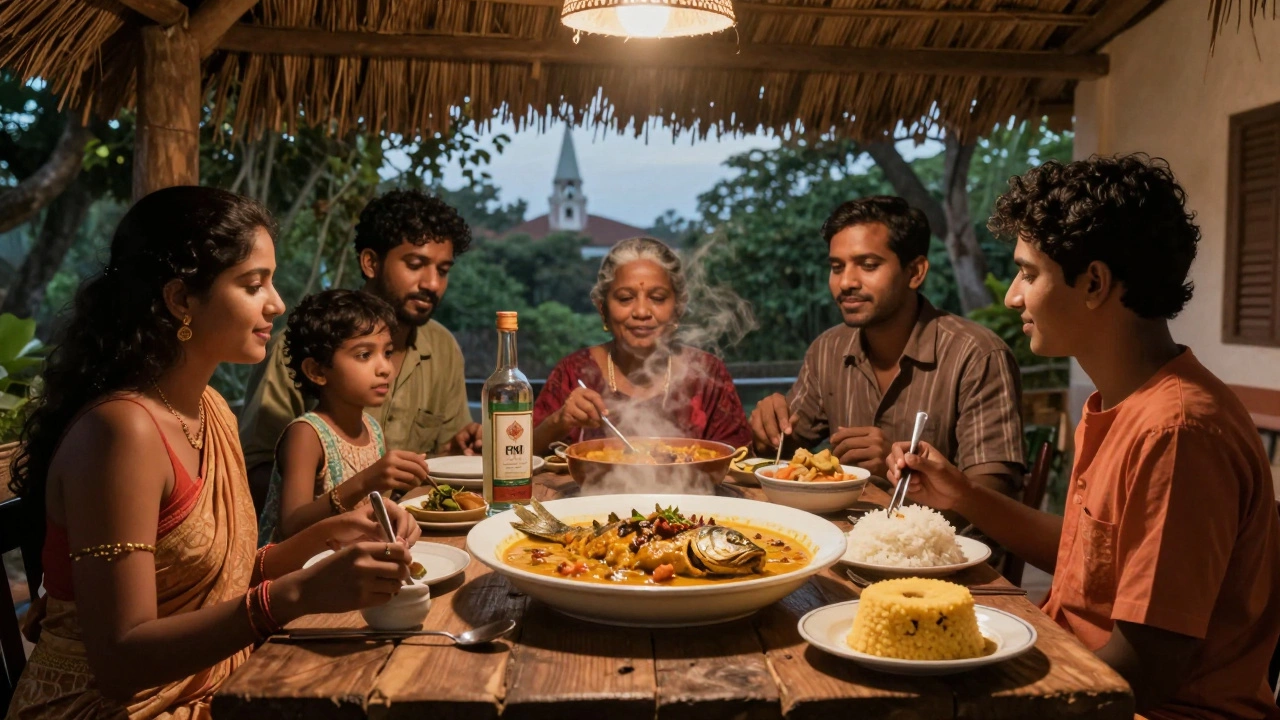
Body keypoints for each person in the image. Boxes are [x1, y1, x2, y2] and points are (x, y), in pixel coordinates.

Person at [5, 186, 422, 720]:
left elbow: (224, 577)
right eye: (254, 284)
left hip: (217, 686)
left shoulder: (211, 410)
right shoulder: (121, 432)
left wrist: (339, 532)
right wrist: (294, 596)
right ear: (180, 299)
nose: (276, 303)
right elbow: (118, 660)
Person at [886, 155, 1280, 719]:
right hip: (1082, 675)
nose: (1012, 298)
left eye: (1028, 273)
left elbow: (1147, 669)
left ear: (1094, 282)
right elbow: (1084, 556)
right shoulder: (1123, 402)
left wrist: (977, 683)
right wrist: (962, 495)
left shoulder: (1178, 431)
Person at [749, 196, 1024, 499]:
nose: (846, 282)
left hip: (945, 543)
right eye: (837, 267)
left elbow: (996, 497)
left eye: (868, 265)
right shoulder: (827, 349)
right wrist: (768, 428)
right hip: (844, 536)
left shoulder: (977, 354)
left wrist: (898, 466)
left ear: (916, 272)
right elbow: (784, 454)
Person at [239, 189, 479, 509]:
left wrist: (457, 451)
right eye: (416, 264)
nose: (432, 284)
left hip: (409, 530)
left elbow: (443, 460)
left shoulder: (443, 348)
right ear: (370, 263)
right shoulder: (299, 346)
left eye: (443, 270)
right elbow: (253, 472)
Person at [531, 237, 751, 455]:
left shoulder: (707, 375)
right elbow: (518, 457)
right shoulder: (573, 372)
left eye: (657, 298)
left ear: (678, 308)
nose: (642, 312)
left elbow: (739, 460)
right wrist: (559, 421)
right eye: (625, 298)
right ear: (602, 309)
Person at [257, 289, 432, 544]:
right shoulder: (307, 434)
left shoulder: (372, 428)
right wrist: (365, 481)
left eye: (387, 352)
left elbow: (371, 511)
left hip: (351, 565)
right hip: (298, 574)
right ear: (317, 370)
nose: (385, 368)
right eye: (364, 355)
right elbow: (291, 526)